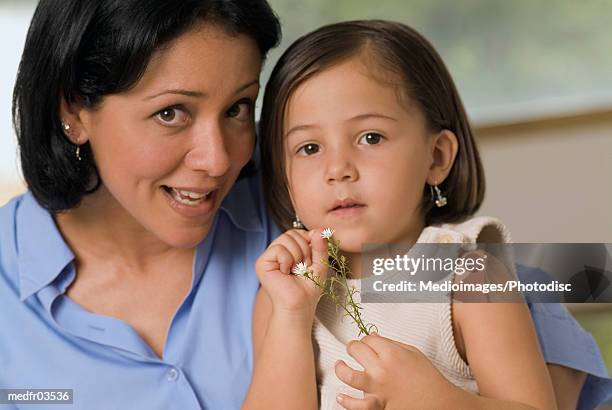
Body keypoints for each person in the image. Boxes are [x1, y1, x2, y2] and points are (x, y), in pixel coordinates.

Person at [244, 20, 612, 410]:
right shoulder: (282, 295)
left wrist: (438, 400)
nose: (338, 168)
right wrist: (291, 315)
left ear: (436, 157)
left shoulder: (472, 279)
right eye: (309, 148)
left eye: (371, 137)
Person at [0, 0, 280, 408]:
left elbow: (404, 276)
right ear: (74, 110)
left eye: (236, 108)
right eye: (171, 113)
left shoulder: (311, 191)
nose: (218, 159)